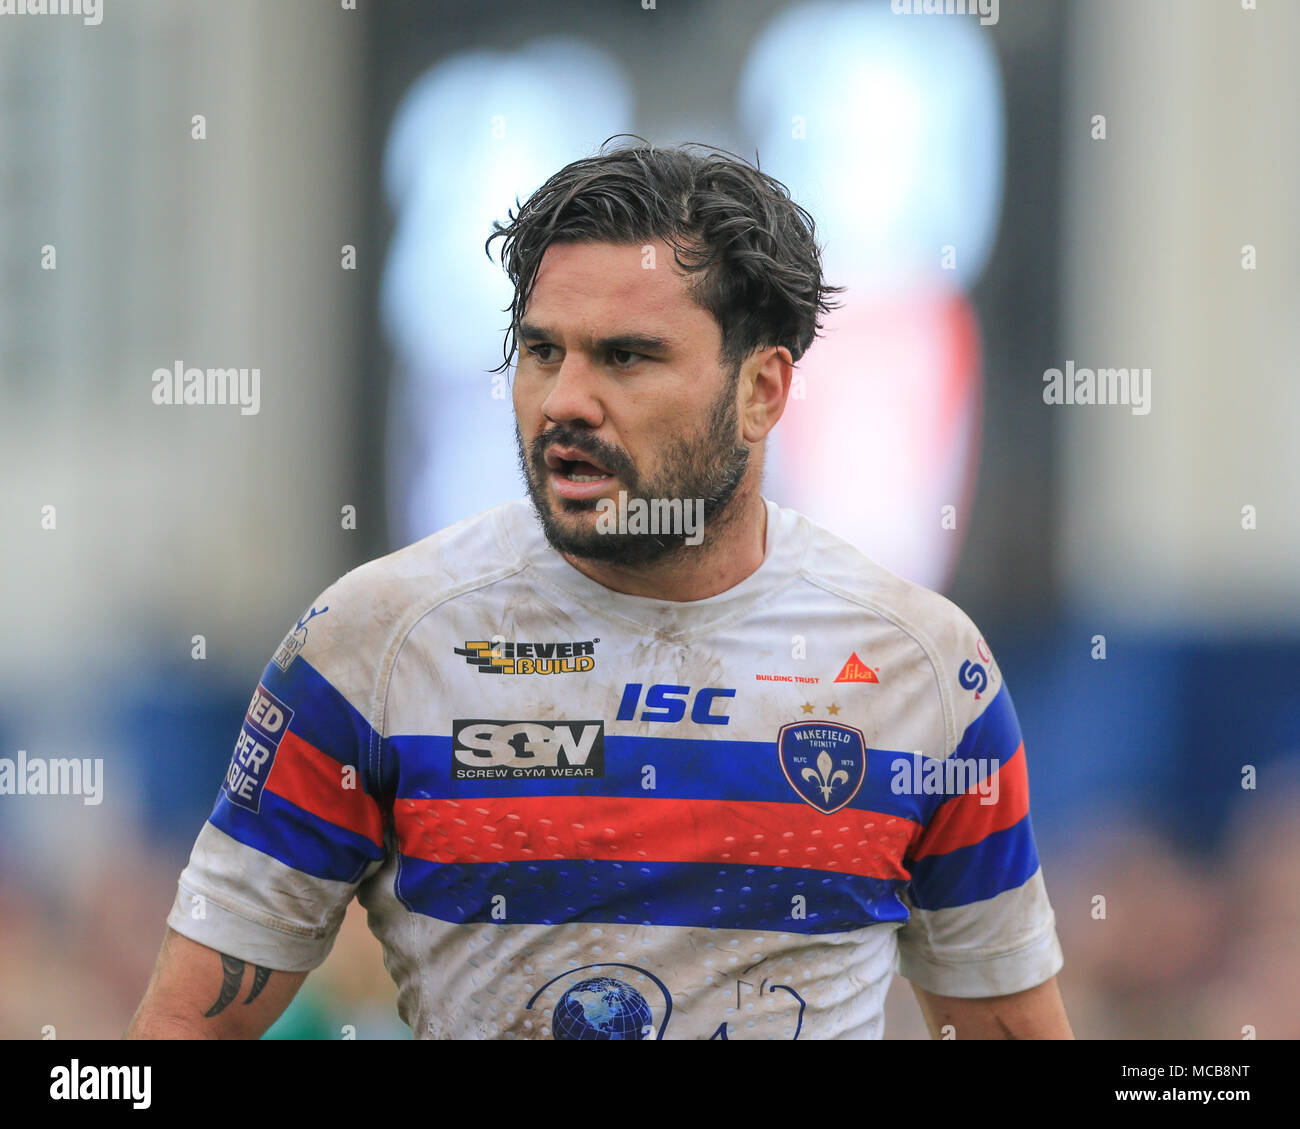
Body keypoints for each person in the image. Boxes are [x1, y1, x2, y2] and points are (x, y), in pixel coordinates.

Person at [127, 138, 1071, 1040]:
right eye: (542, 352)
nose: (563, 400)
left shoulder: (929, 670)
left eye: (624, 356)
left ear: (763, 392)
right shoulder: (369, 644)